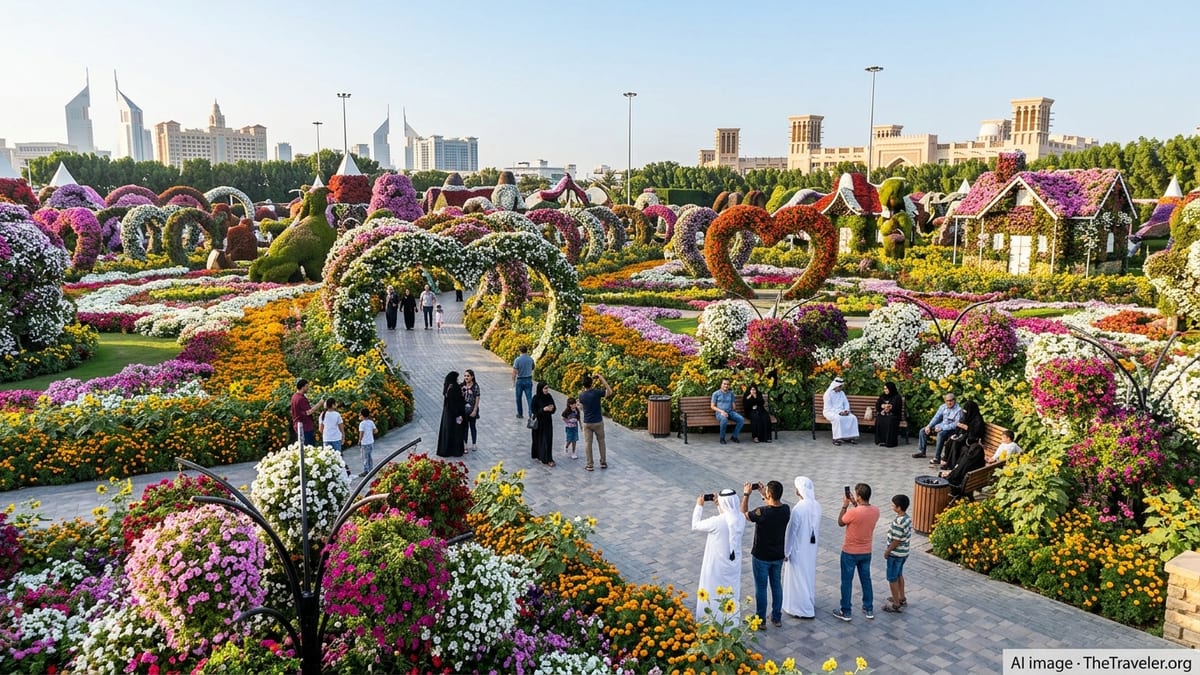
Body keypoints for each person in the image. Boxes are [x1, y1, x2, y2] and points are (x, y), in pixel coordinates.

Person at [742, 480, 790, 628]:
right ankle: (776, 617)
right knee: (776, 585)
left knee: (761, 588)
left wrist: (746, 495)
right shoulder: (786, 509)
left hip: (761, 556)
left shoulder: (762, 511)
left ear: (770, 494)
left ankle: (760, 619)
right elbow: (773, 504)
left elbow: (744, 513)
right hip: (778, 556)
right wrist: (765, 495)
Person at [692, 489, 745, 623]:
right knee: (730, 593)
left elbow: (695, 525)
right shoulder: (741, 518)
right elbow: (729, 519)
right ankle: (729, 622)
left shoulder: (716, 522)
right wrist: (719, 506)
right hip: (733, 565)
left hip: (715, 566)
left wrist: (699, 505)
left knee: (713, 593)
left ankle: (710, 622)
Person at [833, 482, 880, 622]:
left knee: (846, 581)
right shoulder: (876, 511)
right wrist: (855, 503)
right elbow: (862, 514)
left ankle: (846, 611)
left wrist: (845, 505)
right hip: (866, 552)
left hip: (850, 552)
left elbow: (841, 522)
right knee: (866, 579)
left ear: (858, 496)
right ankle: (868, 608)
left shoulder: (853, 512)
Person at [782, 476, 821, 619]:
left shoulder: (798, 509)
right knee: (807, 575)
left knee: (797, 577)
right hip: (811, 549)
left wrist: (787, 551)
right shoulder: (817, 505)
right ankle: (807, 602)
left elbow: (791, 532)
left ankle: (798, 607)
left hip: (798, 549)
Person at [882, 494, 912, 613]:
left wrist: (888, 551)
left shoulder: (899, 522)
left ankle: (895, 603)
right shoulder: (907, 518)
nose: (891, 506)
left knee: (892, 578)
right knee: (899, 574)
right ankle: (901, 597)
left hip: (895, 554)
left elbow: (896, 540)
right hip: (904, 553)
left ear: (899, 508)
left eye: (893, 505)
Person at [912, 393, 962, 464]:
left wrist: (942, 428)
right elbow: (936, 418)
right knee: (923, 431)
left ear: (954, 401)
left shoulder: (958, 410)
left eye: (951, 401)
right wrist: (929, 426)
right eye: (947, 401)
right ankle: (922, 452)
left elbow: (955, 425)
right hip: (940, 427)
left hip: (951, 430)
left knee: (940, 434)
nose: (949, 402)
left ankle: (937, 458)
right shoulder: (943, 407)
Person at [579, 373, 612, 471]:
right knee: (601, 442)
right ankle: (603, 462)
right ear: (592, 383)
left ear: (583, 385)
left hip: (587, 422)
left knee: (588, 443)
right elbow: (609, 392)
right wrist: (602, 378)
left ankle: (589, 465)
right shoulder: (597, 393)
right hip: (598, 422)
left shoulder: (582, 395)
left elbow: (581, 407)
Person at [941, 400, 985, 470]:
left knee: (956, 443)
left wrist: (966, 427)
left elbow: (976, 433)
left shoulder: (978, 420)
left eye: (966, 411)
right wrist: (957, 434)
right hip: (964, 436)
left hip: (972, 440)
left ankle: (952, 464)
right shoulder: (967, 415)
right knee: (951, 439)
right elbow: (960, 425)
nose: (965, 413)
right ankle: (947, 461)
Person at [436, 371, 466, 457]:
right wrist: (459, 414)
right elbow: (456, 402)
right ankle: (455, 451)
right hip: (454, 414)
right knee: (456, 432)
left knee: (447, 431)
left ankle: (445, 450)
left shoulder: (447, 387)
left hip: (447, 413)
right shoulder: (454, 387)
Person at [822, 377, 859, 446]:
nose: (841, 388)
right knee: (838, 418)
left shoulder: (842, 393)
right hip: (829, 412)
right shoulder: (827, 394)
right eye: (840, 387)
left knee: (853, 418)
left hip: (842, 412)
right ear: (836, 386)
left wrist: (846, 411)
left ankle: (850, 437)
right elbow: (828, 408)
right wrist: (839, 413)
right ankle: (836, 438)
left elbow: (846, 403)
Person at [530, 381, 557, 467]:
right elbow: (534, 410)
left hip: (547, 422)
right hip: (538, 423)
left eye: (547, 388)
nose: (546, 390)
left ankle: (548, 459)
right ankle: (538, 455)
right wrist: (543, 409)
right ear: (540, 389)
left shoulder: (549, 396)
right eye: (545, 388)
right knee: (537, 439)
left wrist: (552, 408)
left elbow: (554, 408)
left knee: (547, 440)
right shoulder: (536, 398)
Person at [710, 378, 744, 445]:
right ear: (721, 384)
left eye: (728, 384)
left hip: (730, 412)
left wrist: (734, 412)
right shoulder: (716, 394)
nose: (726, 386)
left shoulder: (731, 394)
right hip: (720, 413)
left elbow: (733, 406)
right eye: (724, 384)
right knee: (724, 420)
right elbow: (712, 406)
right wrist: (722, 411)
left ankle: (734, 436)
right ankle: (722, 438)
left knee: (741, 419)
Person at [874, 382, 903, 448]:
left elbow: (897, 408)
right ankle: (881, 440)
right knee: (879, 419)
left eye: (887, 389)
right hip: (884, 414)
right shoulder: (882, 396)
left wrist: (890, 408)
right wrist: (882, 408)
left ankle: (890, 442)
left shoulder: (897, 397)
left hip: (894, 415)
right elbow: (878, 405)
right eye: (884, 389)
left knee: (890, 420)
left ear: (891, 389)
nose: (885, 390)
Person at [290, 378, 317, 446]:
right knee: (309, 447)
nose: (308, 388)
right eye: (307, 386)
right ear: (303, 387)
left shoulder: (294, 397)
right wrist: (319, 404)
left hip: (298, 425)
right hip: (305, 426)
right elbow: (308, 412)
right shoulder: (301, 399)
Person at [512, 345, 535, 418]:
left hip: (520, 380)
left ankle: (520, 413)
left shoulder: (517, 360)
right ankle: (531, 413)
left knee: (518, 398)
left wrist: (513, 381)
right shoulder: (530, 359)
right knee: (529, 398)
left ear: (520, 351)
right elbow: (533, 367)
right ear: (526, 351)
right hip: (528, 379)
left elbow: (514, 372)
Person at [461, 369, 481, 452]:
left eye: (468, 376)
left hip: (472, 409)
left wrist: (475, 410)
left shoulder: (475, 386)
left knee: (473, 426)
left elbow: (477, 398)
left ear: (472, 377)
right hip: (464, 410)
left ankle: (474, 444)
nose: (466, 377)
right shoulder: (462, 386)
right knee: (465, 427)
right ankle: (465, 445)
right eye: (465, 376)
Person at [358, 408, 378, 477]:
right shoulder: (371, 422)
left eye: (360, 414)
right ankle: (371, 469)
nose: (359, 416)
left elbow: (361, 433)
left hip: (365, 443)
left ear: (362, 415)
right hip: (371, 442)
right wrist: (370, 432)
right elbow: (376, 431)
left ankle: (366, 471)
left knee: (365, 457)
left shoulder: (362, 424)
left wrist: (359, 440)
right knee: (369, 456)